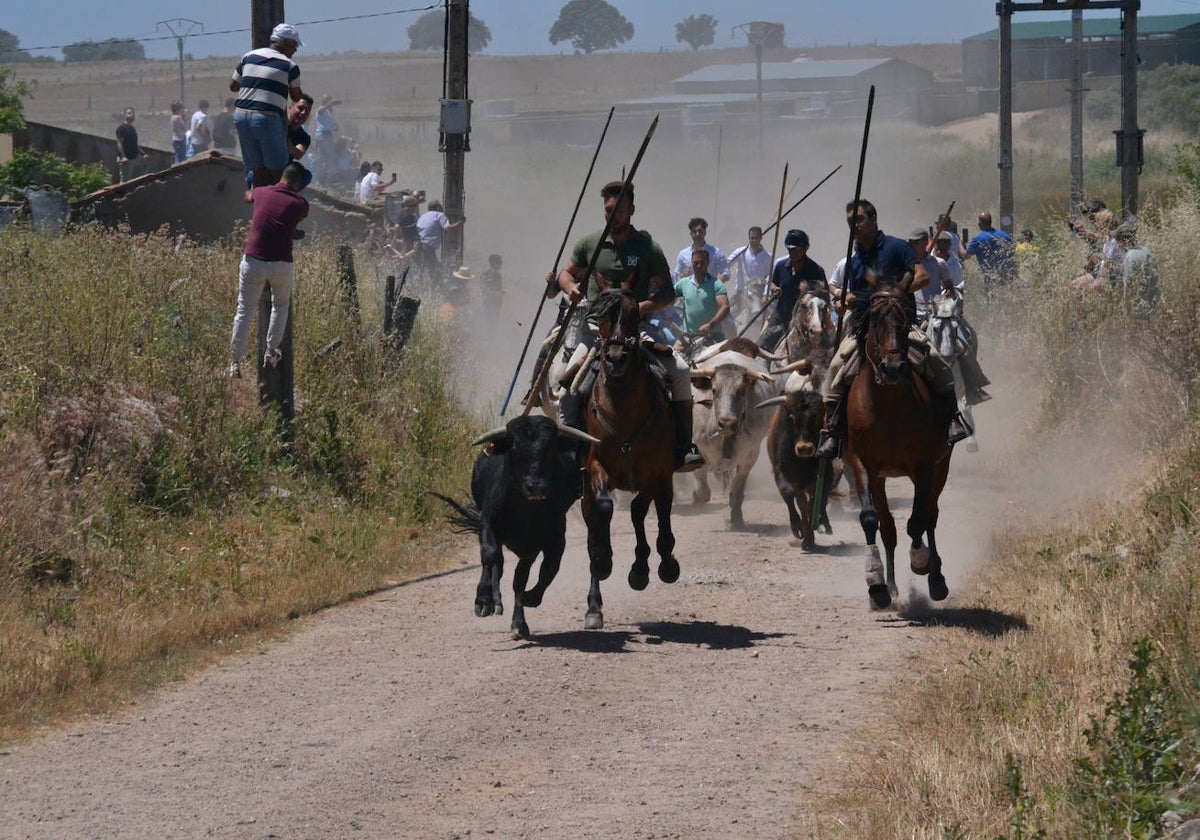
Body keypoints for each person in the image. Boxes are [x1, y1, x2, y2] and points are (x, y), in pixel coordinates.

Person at [554, 180, 704, 472]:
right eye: (608, 210)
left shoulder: (648, 247)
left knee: (681, 372)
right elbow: (565, 273)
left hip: (637, 333)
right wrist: (570, 287)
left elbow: (667, 294)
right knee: (567, 390)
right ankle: (571, 455)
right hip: (596, 332)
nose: (613, 216)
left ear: (631, 209)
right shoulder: (590, 244)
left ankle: (683, 447)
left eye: (619, 210)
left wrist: (636, 309)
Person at [814, 199, 972, 459]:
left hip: (899, 324)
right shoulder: (853, 261)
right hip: (863, 328)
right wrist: (845, 301)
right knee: (834, 369)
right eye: (850, 223)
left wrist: (894, 294)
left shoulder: (897, 247)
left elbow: (921, 276)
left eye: (859, 220)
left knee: (936, 360)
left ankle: (953, 420)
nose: (855, 226)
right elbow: (848, 295)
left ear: (874, 219)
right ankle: (833, 432)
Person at [229, 161, 311, 378]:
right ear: (297, 184)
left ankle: (234, 364)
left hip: (253, 259)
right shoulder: (301, 204)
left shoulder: (262, 192)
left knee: (244, 311)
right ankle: (271, 351)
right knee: (280, 305)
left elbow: (249, 197)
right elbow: (290, 219)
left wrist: (251, 183)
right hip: (281, 262)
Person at [230, 22, 304, 199]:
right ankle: (280, 210)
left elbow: (233, 86)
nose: (295, 50)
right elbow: (296, 97)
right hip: (265, 119)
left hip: (241, 116)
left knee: (257, 170)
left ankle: (256, 205)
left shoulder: (248, 56)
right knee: (279, 173)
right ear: (285, 43)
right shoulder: (289, 66)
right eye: (294, 45)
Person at [758, 229, 826, 353]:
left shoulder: (816, 270)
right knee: (761, 344)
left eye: (795, 249)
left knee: (825, 348)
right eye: (789, 249)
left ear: (805, 248)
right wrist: (774, 288)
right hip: (781, 314)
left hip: (807, 319)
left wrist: (809, 295)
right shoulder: (780, 266)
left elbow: (824, 296)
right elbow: (773, 282)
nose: (791, 252)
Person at [674, 247, 730, 342]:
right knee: (671, 355)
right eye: (695, 263)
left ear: (707, 263)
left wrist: (710, 325)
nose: (698, 266)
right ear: (692, 263)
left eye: (702, 263)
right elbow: (667, 297)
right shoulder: (683, 284)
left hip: (712, 336)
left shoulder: (716, 284)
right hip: (688, 337)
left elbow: (725, 307)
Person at [726, 225, 773, 327]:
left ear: (761, 238)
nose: (754, 240)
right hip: (741, 292)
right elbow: (728, 262)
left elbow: (769, 276)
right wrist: (728, 263)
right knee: (727, 315)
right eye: (752, 238)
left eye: (757, 238)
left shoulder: (768, 256)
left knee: (760, 317)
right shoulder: (740, 252)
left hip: (759, 294)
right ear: (749, 237)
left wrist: (766, 294)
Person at [1114, 224, 1160, 319]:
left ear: (1122, 240)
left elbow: (1129, 287)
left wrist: (1127, 313)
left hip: (1139, 310)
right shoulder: (1147, 250)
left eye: (1117, 241)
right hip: (1154, 303)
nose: (1117, 245)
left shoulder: (1129, 257)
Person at [964, 211, 1015, 296]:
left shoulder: (978, 239)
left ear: (980, 224)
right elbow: (1012, 253)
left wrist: (960, 244)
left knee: (992, 301)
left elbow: (965, 256)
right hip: (1008, 276)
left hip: (991, 277)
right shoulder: (1005, 235)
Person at [415, 199, 464, 284]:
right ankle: (436, 290)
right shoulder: (439, 215)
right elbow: (448, 229)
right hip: (428, 248)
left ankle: (422, 288)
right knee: (434, 272)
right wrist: (461, 222)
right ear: (438, 208)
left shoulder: (422, 216)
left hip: (418, 247)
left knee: (422, 270)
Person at [673, 217, 729, 284]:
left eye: (700, 231)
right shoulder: (683, 254)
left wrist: (714, 286)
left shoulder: (716, 252)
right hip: (689, 293)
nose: (697, 234)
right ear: (691, 234)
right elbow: (676, 275)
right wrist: (682, 275)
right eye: (694, 231)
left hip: (710, 292)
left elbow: (726, 273)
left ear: (705, 232)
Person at [114, 107, 145, 183]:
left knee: (145, 166)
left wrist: (143, 154)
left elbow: (134, 143)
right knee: (125, 181)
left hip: (134, 157)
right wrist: (123, 156)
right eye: (129, 113)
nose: (132, 115)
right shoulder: (121, 128)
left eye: (133, 113)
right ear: (124, 115)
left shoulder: (132, 128)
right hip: (126, 159)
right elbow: (119, 143)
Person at [314, 94, 339, 182]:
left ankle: (328, 179)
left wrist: (335, 127)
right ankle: (319, 179)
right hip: (323, 136)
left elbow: (332, 125)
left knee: (330, 157)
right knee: (322, 157)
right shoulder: (321, 110)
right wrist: (331, 103)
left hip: (328, 136)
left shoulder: (328, 113)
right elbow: (321, 110)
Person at [287, 94, 313, 160]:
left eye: (307, 111)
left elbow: (298, 154)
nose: (303, 113)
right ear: (290, 108)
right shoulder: (277, 124)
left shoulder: (304, 137)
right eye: (300, 108)